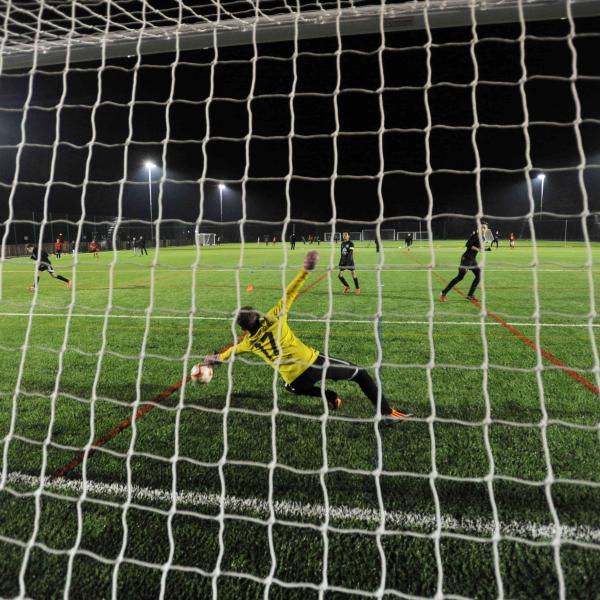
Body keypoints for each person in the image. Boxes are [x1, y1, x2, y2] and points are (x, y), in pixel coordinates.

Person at [203, 251, 410, 423]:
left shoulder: (247, 343)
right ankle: (386, 413)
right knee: (361, 374)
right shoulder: (274, 317)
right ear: (258, 315)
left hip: (295, 380)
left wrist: (214, 360)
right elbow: (290, 292)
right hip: (313, 364)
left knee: (288, 386)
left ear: (244, 330)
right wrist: (305, 270)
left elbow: (230, 353)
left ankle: (330, 396)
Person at [439, 222, 491, 303]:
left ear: (487, 229)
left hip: (473, 260)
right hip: (466, 259)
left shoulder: (482, 238)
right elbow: (468, 244)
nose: (483, 229)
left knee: (479, 275)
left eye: (484, 227)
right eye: (482, 227)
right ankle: (443, 293)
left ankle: (470, 295)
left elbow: (478, 247)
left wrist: (485, 249)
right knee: (460, 277)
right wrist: (478, 249)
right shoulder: (476, 235)